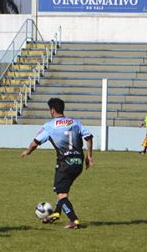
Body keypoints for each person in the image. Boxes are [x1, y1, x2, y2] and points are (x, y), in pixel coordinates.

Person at [21, 97, 93, 229]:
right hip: (78, 163)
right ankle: (56, 213)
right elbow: (89, 137)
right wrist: (89, 156)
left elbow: (35, 142)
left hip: (64, 163)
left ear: (52, 110)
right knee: (63, 192)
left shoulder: (49, 125)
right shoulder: (75, 122)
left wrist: (28, 151)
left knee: (61, 194)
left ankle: (73, 220)